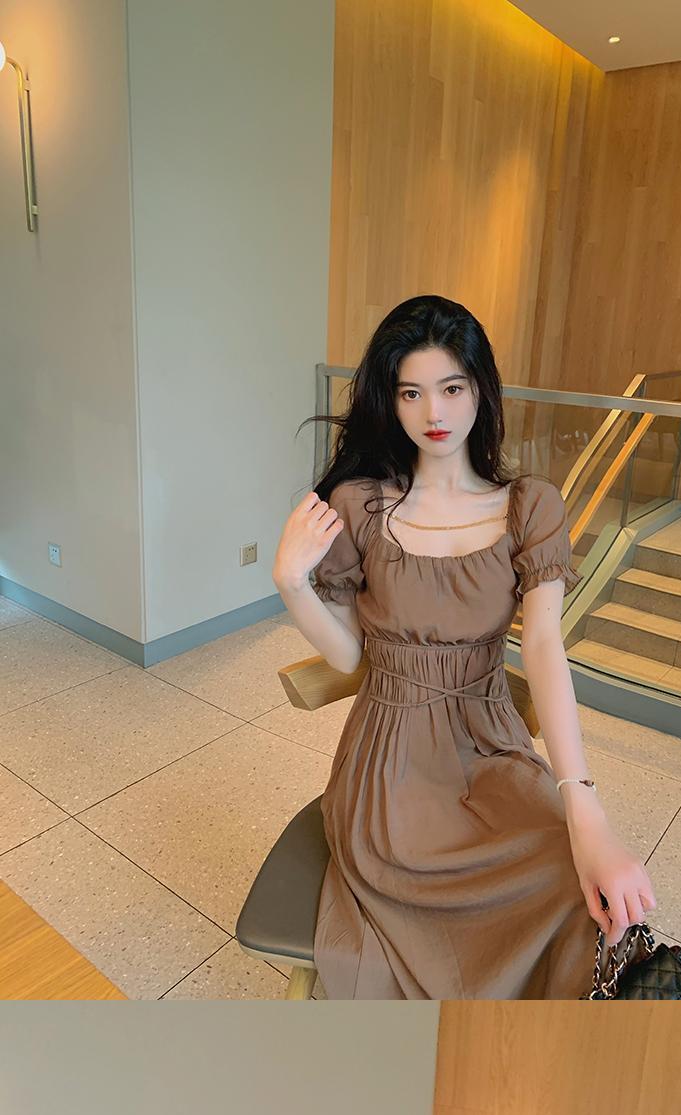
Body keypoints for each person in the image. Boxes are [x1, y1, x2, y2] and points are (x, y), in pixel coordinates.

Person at [272, 293, 655, 1001]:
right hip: (389, 764)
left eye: (451, 388)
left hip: (491, 747)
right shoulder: (361, 505)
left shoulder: (530, 506)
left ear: (481, 389)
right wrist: (291, 583)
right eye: (410, 392)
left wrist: (587, 811)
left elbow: (544, 648)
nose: (434, 413)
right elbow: (351, 659)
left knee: (581, 889)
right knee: (442, 890)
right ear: (390, 400)